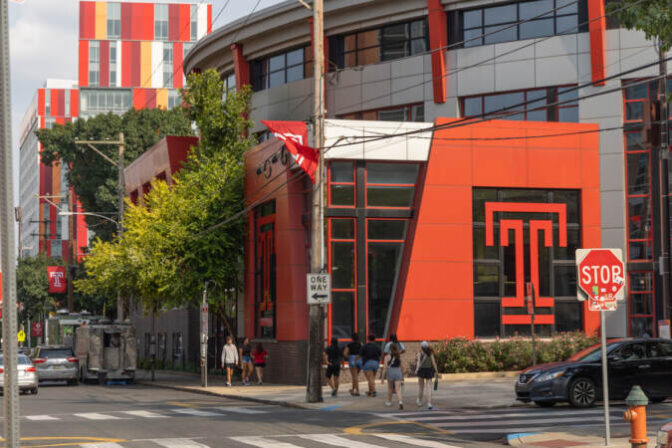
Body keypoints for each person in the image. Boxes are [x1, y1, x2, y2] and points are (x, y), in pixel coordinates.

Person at [415, 341, 439, 409]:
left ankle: (419, 401)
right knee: (429, 388)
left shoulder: (420, 353)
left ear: (421, 347)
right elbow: (434, 363)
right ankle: (429, 403)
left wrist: (416, 369)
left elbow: (418, 363)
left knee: (421, 387)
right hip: (429, 370)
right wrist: (436, 371)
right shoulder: (430, 353)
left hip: (421, 370)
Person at [380, 343, 404, 409]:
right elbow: (402, 367)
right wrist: (402, 376)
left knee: (390, 388)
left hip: (390, 372)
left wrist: (382, 378)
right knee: (398, 389)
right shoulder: (398, 356)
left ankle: (389, 402)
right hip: (398, 371)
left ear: (390, 349)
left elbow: (385, 368)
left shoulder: (387, 357)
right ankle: (400, 402)